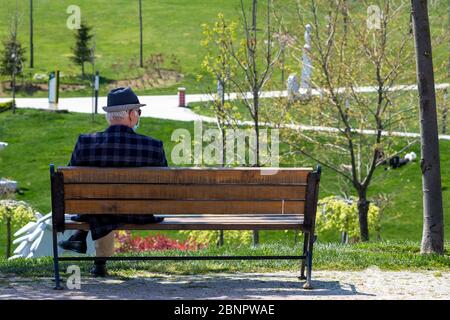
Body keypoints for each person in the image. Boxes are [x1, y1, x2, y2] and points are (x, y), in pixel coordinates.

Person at [58, 87, 168, 277]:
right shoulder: (153, 146)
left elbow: (71, 184)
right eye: (139, 112)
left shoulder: (85, 143)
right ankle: (96, 259)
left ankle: (87, 247)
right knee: (105, 205)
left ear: (109, 116)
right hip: (138, 213)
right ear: (132, 115)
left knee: (99, 205)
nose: (139, 116)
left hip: (96, 210)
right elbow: (166, 186)